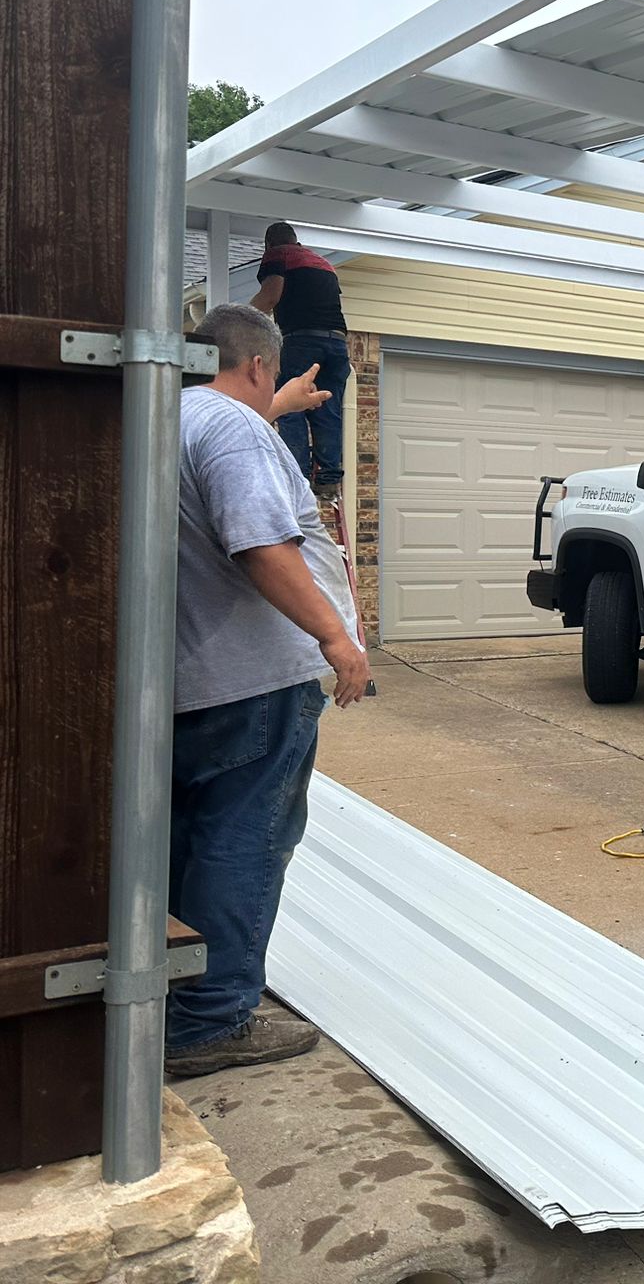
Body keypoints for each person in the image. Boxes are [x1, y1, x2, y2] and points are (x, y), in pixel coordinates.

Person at [164, 304, 373, 1078]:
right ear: (257, 365)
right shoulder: (235, 429)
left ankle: (174, 996)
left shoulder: (175, 416)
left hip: (191, 680)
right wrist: (334, 636)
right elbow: (259, 541)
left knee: (190, 839)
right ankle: (211, 1020)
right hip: (253, 679)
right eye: (272, 378)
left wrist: (279, 410)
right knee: (247, 839)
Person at [252, 221, 350, 496]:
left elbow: (271, 295)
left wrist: (237, 317)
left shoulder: (278, 254)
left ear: (268, 244)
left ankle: (298, 477)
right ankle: (329, 479)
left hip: (302, 340)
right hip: (337, 344)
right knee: (328, 410)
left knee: (290, 405)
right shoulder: (323, 262)